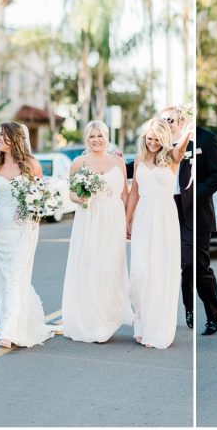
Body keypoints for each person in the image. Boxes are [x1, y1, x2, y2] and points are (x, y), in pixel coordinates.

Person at [0, 122, 54, 349]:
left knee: (15, 275)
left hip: (25, 228)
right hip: (1, 228)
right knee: (5, 278)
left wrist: (34, 209)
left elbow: (41, 196)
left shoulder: (31, 165)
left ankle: (9, 331)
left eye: (2, 135)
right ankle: (15, 321)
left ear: (14, 138)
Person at [61, 120, 132, 343]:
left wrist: (129, 222)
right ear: (87, 139)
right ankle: (89, 321)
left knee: (109, 268)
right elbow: (71, 193)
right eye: (92, 136)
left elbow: (126, 195)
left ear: (106, 137)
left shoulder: (118, 161)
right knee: (89, 267)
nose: (96, 140)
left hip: (114, 219)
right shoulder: (78, 162)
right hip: (89, 218)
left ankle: (107, 320)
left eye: (100, 135)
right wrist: (78, 197)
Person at [126, 118, 190, 348]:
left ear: (164, 140)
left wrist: (188, 128)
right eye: (149, 138)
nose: (152, 143)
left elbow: (182, 147)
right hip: (143, 217)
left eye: (156, 139)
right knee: (140, 274)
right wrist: (127, 220)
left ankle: (156, 327)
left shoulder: (172, 157)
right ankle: (141, 322)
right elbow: (134, 192)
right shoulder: (140, 160)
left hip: (164, 218)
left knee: (159, 273)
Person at [161, 105, 195, 329]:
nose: (166, 123)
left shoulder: (192, 146)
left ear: (181, 122)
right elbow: (137, 166)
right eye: (163, 120)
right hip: (162, 207)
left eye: (170, 120)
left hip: (185, 207)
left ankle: (190, 308)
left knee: (186, 262)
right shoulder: (156, 145)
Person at [195, 126, 217, 336]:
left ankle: (213, 311)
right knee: (181, 269)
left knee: (198, 267)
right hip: (168, 213)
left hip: (199, 214)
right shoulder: (164, 138)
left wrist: (194, 195)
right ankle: (189, 311)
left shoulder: (207, 138)